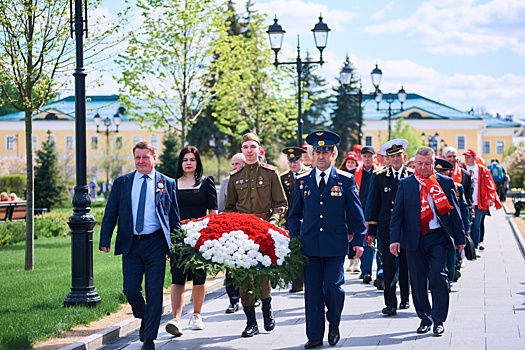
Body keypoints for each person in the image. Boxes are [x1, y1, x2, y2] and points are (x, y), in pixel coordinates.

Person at [288, 130, 366, 349]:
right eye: (317, 152)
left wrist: (358, 240)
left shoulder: (345, 180)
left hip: (335, 244)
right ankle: (314, 335)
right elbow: (294, 215)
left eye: (326, 152)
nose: (321, 156)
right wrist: (295, 238)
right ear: (312, 156)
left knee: (333, 287)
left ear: (333, 154)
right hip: (309, 245)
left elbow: (356, 213)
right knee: (312, 292)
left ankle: (334, 322)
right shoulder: (302, 181)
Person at [99, 141, 180, 350]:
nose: (141, 161)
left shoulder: (167, 183)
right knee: (131, 289)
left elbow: (173, 217)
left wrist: (175, 244)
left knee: (154, 292)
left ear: (154, 158)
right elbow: (111, 212)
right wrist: (105, 239)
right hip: (131, 244)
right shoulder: (122, 182)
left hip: (156, 243)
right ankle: (144, 316)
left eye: (145, 157)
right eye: (137, 157)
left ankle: (149, 339)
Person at [390, 146, 465, 336]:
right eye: (419, 164)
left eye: (427, 164)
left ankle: (439, 320)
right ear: (414, 163)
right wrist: (394, 240)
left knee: (438, 276)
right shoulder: (406, 183)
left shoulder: (445, 183)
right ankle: (425, 318)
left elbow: (455, 212)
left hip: (437, 236)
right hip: (413, 238)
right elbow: (397, 214)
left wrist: (460, 238)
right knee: (417, 280)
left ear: (434, 163)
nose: (423, 168)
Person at [225, 132, 288, 338]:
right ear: (242, 151)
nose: (249, 151)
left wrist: (273, 221)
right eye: (245, 148)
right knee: (245, 277)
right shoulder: (236, 178)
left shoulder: (271, 174)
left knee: (263, 274)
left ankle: (267, 312)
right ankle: (250, 322)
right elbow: (230, 208)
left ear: (259, 150)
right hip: (243, 232)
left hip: (264, 230)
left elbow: (281, 202)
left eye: (253, 147)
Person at [165, 146, 218, 337]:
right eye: (185, 159)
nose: (188, 163)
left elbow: (213, 214)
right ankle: (176, 318)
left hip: (200, 238)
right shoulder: (171, 184)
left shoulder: (206, 183)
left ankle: (196, 315)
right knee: (177, 277)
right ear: (180, 162)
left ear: (197, 162)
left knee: (199, 277)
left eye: (192, 160)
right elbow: (167, 213)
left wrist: (210, 238)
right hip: (178, 238)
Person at [368, 139, 411, 314]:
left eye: (398, 156)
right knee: (388, 266)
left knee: (405, 265)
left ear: (404, 157)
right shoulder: (379, 177)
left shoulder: (411, 176)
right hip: (386, 228)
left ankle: (405, 298)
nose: (395, 159)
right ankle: (390, 303)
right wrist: (371, 231)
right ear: (387, 159)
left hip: (407, 229)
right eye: (391, 156)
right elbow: (373, 205)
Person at [433, 158, 471, 290]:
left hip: (450, 226)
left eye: (443, 171)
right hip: (435, 226)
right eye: (438, 171)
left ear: (449, 173)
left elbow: (462, 209)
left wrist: (466, 228)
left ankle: (448, 278)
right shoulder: (430, 185)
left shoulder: (456, 186)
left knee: (450, 253)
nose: (440, 174)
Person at [217, 153, 246, 314]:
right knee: (231, 267)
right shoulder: (226, 182)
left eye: (239, 164)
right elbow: (222, 207)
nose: (235, 167)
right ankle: (233, 299)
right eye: (233, 164)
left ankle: (251, 297)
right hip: (232, 230)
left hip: (249, 228)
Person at [280, 146, 309, 293]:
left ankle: (310, 280)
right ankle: (297, 283)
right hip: (293, 219)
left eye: (295, 161)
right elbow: (283, 202)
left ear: (301, 160)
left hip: (309, 218)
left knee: (309, 250)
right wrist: (284, 222)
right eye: (290, 161)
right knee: (295, 250)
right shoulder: (284, 178)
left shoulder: (310, 174)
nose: (292, 164)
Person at [463, 149, 501, 250]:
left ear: (474, 158)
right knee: (465, 225)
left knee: (476, 225)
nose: (466, 159)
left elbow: (490, 184)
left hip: (478, 201)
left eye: (468, 157)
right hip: (465, 202)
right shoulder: (462, 168)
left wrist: (490, 198)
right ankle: (464, 248)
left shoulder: (482, 170)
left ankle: (474, 248)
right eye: (465, 157)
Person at [350, 146, 377, 283]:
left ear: (374, 157)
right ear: (361, 157)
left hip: (374, 212)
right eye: (364, 156)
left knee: (370, 241)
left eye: (369, 156)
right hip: (358, 210)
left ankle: (368, 271)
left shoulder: (378, 173)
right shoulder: (354, 173)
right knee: (361, 240)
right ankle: (363, 268)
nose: (367, 159)